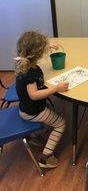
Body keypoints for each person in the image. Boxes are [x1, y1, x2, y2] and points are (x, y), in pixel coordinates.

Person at [15, 31, 69, 169]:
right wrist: (55, 89)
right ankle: (46, 158)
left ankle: (33, 136)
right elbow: (34, 95)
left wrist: (49, 47)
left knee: (50, 114)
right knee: (61, 124)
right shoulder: (31, 73)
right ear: (38, 53)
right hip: (34, 111)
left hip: (25, 108)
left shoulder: (22, 62)